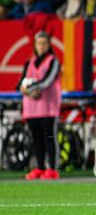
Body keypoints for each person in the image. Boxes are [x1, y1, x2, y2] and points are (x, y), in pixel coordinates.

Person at [16, 31, 62, 180]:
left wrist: (31, 88)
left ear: (48, 45)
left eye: (44, 43)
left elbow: (47, 80)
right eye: (39, 43)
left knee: (49, 137)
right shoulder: (29, 62)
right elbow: (19, 83)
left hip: (48, 106)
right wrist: (24, 89)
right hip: (31, 107)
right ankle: (40, 167)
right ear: (35, 45)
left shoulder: (53, 61)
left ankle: (53, 168)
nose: (41, 46)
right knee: (36, 138)